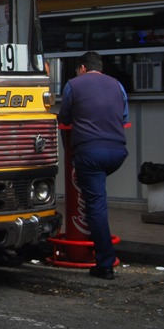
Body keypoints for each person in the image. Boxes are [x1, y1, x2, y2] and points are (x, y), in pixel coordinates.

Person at [57, 51, 128, 280]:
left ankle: (105, 263)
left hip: (89, 153)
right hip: (117, 153)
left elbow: (64, 117)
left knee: (95, 206)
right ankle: (103, 251)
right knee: (98, 199)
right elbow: (124, 117)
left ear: (82, 68)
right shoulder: (117, 85)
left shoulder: (73, 85)